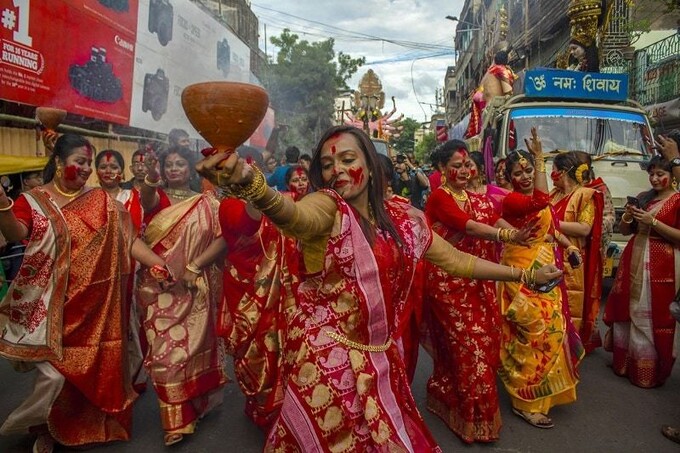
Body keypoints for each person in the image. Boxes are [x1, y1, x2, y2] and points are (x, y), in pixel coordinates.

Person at [197, 125, 561, 451]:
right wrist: (250, 182)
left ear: (370, 165)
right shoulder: (327, 208)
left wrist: (525, 277)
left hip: (383, 360)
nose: (336, 169)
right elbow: (294, 216)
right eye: (327, 164)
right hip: (329, 368)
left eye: (347, 158)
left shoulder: (404, 220)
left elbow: (457, 261)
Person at [0, 134, 170, 452]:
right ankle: (41, 427)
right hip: (49, 304)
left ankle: (76, 426)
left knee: (90, 368)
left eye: (87, 164)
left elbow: (129, 241)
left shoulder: (103, 202)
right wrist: (2, 204)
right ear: (60, 162)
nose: (85, 170)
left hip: (94, 306)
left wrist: (158, 262)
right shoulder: (34, 200)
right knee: (53, 375)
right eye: (79, 162)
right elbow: (16, 233)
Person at [423, 140, 531, 443]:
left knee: (486, 340)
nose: (464, 169)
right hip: (447, 282)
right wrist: (508, 234)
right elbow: (468, 227)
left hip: (479, 279)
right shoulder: (440, 198)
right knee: (469, 346)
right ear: (442, 170)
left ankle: (452, 398)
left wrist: (517, 235)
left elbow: (494, 216)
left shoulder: (477, 198)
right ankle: (473, 417)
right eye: (455, 165)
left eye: (467, 163)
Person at [138, 145, 228, 446]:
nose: (173, 169)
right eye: (169, 165)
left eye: (179, 164)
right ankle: (175, 420)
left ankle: (191, 409)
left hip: (195, 287)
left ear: (190, 169)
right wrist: (150, 176)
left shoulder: (207, 202)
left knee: (191, 355)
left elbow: (222, 239)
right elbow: (147, 200)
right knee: (166, 357)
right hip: (159, 290)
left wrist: (194, 265)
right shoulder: (157, 198)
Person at [498, 128, 584, 429]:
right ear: (508, 177)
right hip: (521, 273)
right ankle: (525, 400)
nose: (524, 176)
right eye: (517, 172)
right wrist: (538, 156)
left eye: (528, 170)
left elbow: (548, 228)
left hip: (546, 268)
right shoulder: (512, 202)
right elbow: (541, 200)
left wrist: (568, 244)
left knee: (554, 331)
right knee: (533, 334)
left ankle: (544, 395)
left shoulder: (535, 199)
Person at [604, 155, 680, 388]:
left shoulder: (677, 201)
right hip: (634, 258)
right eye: (652, 174)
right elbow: (625, 231)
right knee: (628, 308)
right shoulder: (644, 198)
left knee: (651, 314)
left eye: (660, 174)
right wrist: (628, 216)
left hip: (661, 263)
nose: (654, 179)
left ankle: (647, 370)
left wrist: (653, 222)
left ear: (672, 176)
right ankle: (624, 363)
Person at [550, 152, 604, 353]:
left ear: (562, 172)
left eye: (554, 171)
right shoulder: (553, 194)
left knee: (569, 302)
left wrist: (552, 224)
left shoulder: (585, 195)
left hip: (571, 257)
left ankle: (569, 349)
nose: (551, 175)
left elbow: (584, 229)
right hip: (550, 253)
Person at [572, 151, 616, 257]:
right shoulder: (567, 187)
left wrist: (591, 231)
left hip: (592, 244)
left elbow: (609, 217)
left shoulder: (599, 189)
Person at [465, 51, 516, 139]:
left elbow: (479, 95)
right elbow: (508, 92)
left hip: (487, 111)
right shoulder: (501, 70)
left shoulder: (488, 73)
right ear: (506, 60)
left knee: (487, 141)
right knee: (497, 141)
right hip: (497, 110)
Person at [467, 150, 509, 215]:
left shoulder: (497, 192)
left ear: (481, 168)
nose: (465, 169)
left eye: (469, 165)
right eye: (463, 165)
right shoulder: (461, 194)